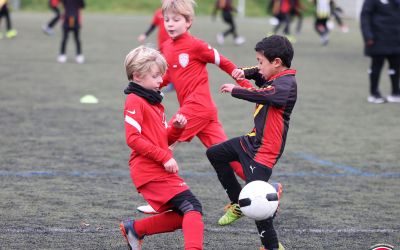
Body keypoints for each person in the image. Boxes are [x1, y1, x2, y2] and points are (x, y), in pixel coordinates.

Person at [136, 0, 253, 215]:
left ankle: (160, 200)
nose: (170, 24)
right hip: (204, 112)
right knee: (226, 156)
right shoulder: (167, 47)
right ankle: (270, 189)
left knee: (161, 142)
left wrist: (246, 85)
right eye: (167, 19)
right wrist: (149, 87)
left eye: (176, 19)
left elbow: (224, 63)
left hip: (196, 107)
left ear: (189, 22)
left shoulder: (197, 45)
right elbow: (170, 75)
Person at [206, 35, 297, 250]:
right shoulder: (275, 74)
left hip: (265, 151)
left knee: (259, 206)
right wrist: (244, 72)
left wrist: (236, 89)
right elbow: (258, 75)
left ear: (276, 63)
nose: (258, 65)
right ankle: (238, 202)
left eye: (260, 61)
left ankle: (272, 247)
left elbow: (265, 95)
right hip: (252, 141)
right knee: (215, 154)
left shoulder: (286, 84)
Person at [120, 45, 204, 250]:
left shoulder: (154, 102)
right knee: (192, 207)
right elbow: (133, 139)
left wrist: (176, 130)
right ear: (138, 76)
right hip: (148, 170)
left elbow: (161, 139)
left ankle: (136, 229)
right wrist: (164, 157)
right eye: (156, 76)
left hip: (158, 168)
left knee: (184, 213)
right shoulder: (135, 100)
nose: (161, 81)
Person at [360, 0, 400, 103]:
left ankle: (395, 92)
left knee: (396, 67)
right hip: (377, 40)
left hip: (395, 39)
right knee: (376, 67)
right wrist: (368, 36)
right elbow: (365, 18)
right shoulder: (370, 2)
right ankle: (374, 93)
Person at [137, 1, 175, 92]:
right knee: (162, 64)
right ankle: (165, 82)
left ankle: (172, 84)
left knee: (170, 63)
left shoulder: (175, 12)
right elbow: (153, 26)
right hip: (162, 44)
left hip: (172, 44)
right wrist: (145, 35)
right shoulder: (158, 12)